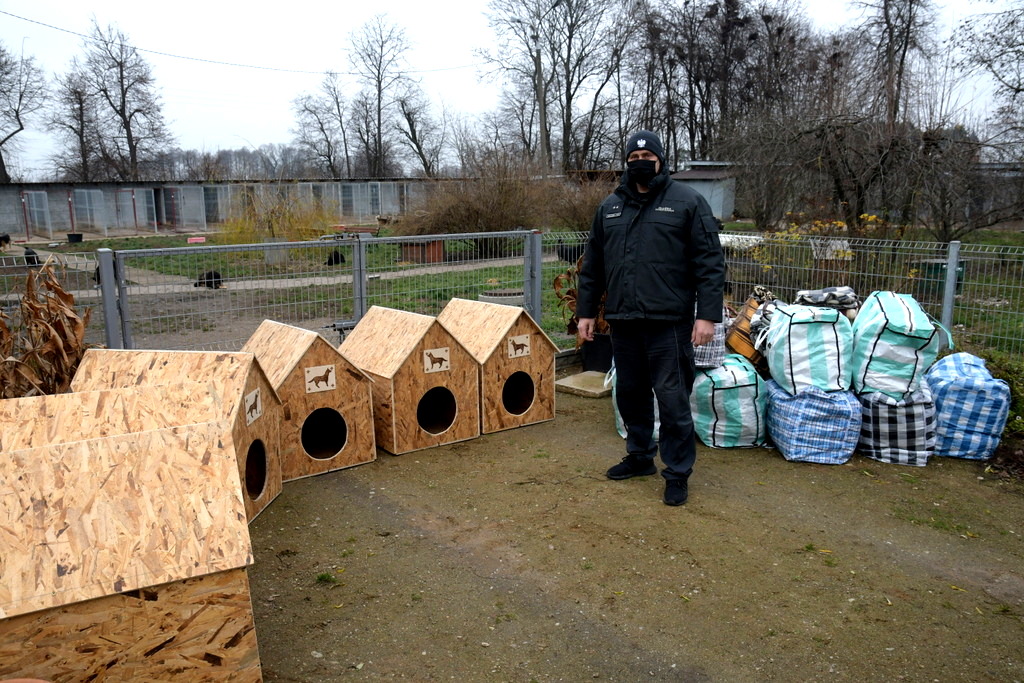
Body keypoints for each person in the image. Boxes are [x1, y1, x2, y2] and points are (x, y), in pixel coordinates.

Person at [576, 130, 725, 506]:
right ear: (626, 161)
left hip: (669, 324)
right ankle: (640, 456)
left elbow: (709, 264)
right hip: (624, 322)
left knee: (673, 400)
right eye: (634, 154)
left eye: (648, 153)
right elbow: (592, 266)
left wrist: (706, 317)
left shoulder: (687, 202)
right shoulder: (610, 207)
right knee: (631, 395)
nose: (641, 160)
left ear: (661, 159)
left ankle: (676, 472)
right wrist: (586, 313)